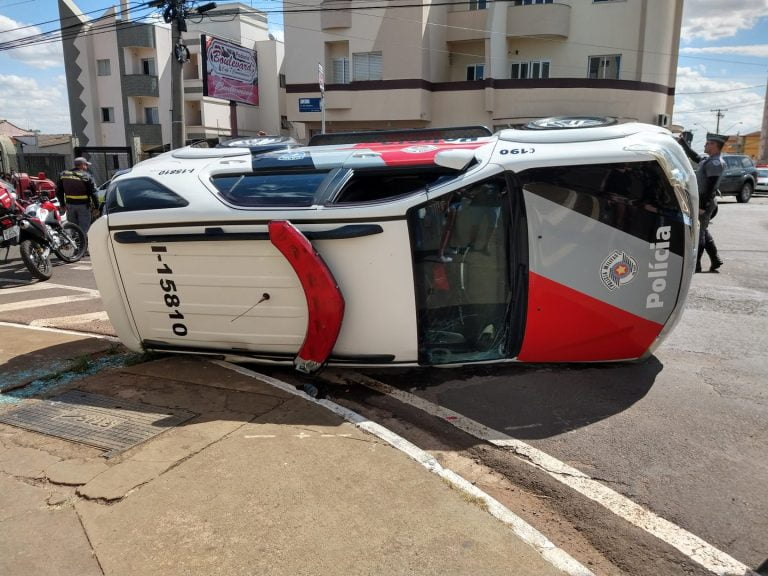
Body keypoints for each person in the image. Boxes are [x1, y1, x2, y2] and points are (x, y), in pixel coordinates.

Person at [677, 133, 725, 273]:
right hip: (701, 201)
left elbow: (711, 186)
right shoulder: (709, 160)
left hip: (705, 202)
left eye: (708, 143)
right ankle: (715, 259)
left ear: (714, 145)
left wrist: (703, 206)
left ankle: (696, 265)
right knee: (703, 229)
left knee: (699, 232)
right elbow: (696, 157)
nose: (705, 145)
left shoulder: (716, 163)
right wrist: (683, 142)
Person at [56, 157, 99, 235]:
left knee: (73, 227)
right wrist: (97, 206)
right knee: (84, 228)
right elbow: (93, 193)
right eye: (86, 165)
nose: (87, 167)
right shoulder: (86, 176)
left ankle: (75, 241)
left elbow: (59, 191)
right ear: (82, 165)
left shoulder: (64, 175)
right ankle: (84, 242)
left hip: (69, 206)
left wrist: (62, 204)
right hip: (83, 206)